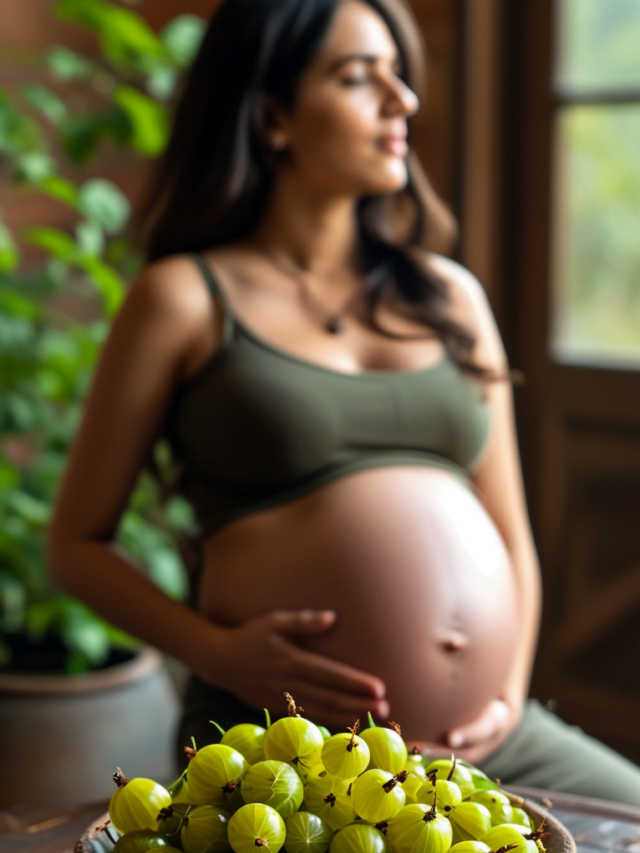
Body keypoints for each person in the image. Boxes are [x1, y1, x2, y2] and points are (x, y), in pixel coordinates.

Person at [46, 0, 640, 803]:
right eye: (360, 77)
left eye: (400, 74)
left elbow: (512, 534)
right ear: (274, 116)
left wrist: (504, 691)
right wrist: (218, 653)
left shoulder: (449, 299)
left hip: (492, 739)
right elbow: (77, 544)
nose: (404, 100)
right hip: (283, 747)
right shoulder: (184, 299)